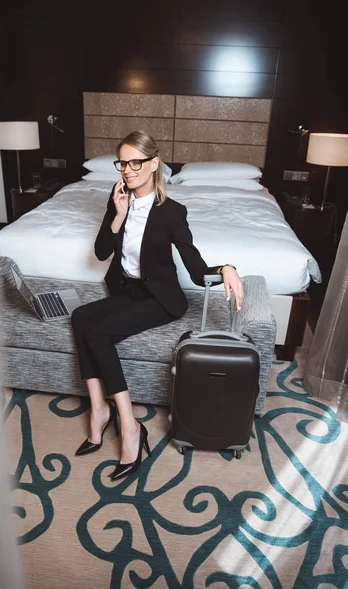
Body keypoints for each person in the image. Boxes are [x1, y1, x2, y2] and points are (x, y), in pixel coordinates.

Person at [71, 131, 244, 480]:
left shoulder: (172, 212)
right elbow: (103, 251)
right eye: (123, 162)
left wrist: (226, 268)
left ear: (154, 164)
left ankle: (130, 425)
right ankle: (99, 409)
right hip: (127, 292)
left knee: (100, 333)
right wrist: (118, 214)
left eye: (136, 162)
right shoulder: (117, 198)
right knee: (80, 317)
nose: (128, 170)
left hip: (162, 300)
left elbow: (195, 269)